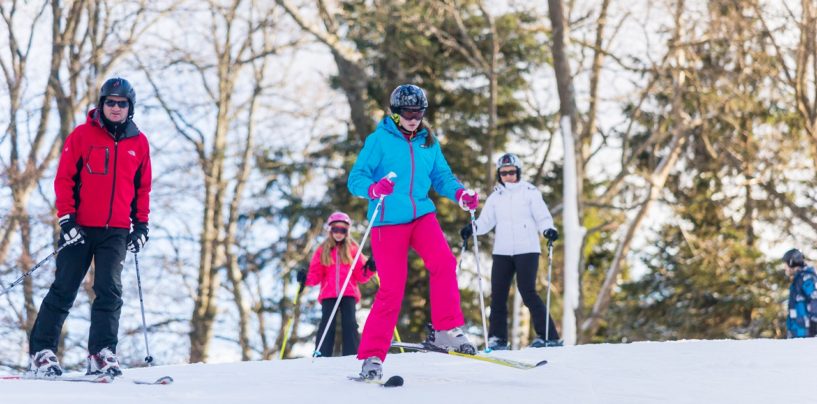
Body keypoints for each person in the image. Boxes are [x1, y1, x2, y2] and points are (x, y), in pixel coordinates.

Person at [347, 84, 479, 380]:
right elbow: (356, 178)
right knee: (392, 289)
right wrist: (373, 189)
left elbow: (442, 176)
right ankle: (371, 358)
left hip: (421, 215)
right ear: (395, 113)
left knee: (444, 263)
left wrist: (460, 195)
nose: (414, 118)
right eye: (407, 112)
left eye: (419, 112)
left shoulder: (428, 141)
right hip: (386, 221)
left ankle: (445, 330)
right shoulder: (378, 140)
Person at [27, 77, 152, 378]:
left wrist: (142, 225)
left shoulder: (139, 143)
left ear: (129, 108)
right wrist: (67, 218)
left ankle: (101, 354)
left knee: (110, 292)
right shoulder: (82, 135)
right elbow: (65, 178)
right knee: (64, 289)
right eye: (110, 102)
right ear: (102, 104)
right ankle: (41, 353)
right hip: (80, 228)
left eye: (122, 103)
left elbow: (142, 188)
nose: (116, 108)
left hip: (117, 230)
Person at [460, 153, 560, 350]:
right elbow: (485, 222)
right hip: (503, 251)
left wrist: (548, 229)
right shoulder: (495, 197)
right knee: (498, 295)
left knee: (527, 292)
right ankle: (498, 338)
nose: (508, 176)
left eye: (512, 172)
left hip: (527, 249)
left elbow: (542, 216)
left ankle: (549, 336)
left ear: (518, 172)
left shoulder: (530, 192)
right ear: (499, 174)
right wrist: (472, 228)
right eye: (503, 173)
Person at [298, 211, 376, 357]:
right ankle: (322, 353)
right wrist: (305, 278)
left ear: (347, 231)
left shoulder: (353, 249)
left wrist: (370, 268)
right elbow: (315, 275)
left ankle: (352, 354)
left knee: (350, 323)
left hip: (348, 293)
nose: (339, 233)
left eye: (343, 230)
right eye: (336, 229)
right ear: (330, 230)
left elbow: (361, 275)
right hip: (329, 293)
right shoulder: (322, 250)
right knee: (327, 323)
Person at [781, 248, 817, 338]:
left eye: (785, 264)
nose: (784, 268)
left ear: (791, 263)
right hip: (797, 330)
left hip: (806, 332)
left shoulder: (806, 278)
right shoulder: (798, 279)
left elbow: (814, 299)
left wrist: (814, 322)